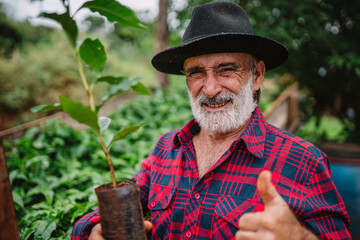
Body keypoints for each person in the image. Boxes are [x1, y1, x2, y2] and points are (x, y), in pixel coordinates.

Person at [71, 2, 351, 240]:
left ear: (258, 75)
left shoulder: (302, 161)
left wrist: (298, 236)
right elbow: (122, 199)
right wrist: (94, 229)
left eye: (226, 70)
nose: (210, 88)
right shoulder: (167, 148)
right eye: (196, 73)